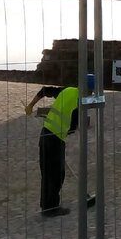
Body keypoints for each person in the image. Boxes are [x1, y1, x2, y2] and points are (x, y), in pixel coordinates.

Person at [27, 84, 80, 217]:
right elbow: (73, 127)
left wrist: (30, 105)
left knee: (47, 172)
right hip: (55, 139)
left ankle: (46, 206)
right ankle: (52, 208)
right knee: (57, 174)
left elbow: (44, 90)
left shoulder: (67, 90)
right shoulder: (80, 101)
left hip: (44, 134)